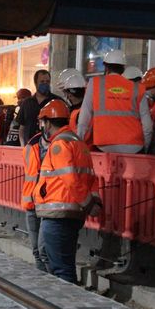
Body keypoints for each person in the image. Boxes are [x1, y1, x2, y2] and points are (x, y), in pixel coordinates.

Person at [34, 99, 101, 283]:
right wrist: (94, 202)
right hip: (67, 214)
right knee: (48, 255)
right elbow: (91, 178)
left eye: (43, 122)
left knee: (62, 268)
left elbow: (71, 180)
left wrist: (88, 204)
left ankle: (65, 302)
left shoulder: (59, 145)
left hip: (59, 214)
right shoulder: (78, 144)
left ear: (47, 122)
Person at [77, 49, 152, 154]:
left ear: (105, 66)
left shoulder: (95, 84)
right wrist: (146, 148)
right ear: (123, 68)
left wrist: (79, 142)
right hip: (135, 146)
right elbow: (147, 125)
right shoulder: (137, 88)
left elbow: (84, 118)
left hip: (104, 145)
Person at [22, 124, 49, 271]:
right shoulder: (31, 145)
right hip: (32, 202)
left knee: (44, 250)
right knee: (37, 250)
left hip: (49, 204)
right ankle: (44, 279)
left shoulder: (60, 143)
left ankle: (53, 282)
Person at [18, 70, 58, 146]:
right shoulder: (26, 103)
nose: (45, 84)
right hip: (30, 149)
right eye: (42, 82)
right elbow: (22, 128)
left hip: (50, 149)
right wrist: (23, 146)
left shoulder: (56, 102)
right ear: (35, 83)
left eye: (47, 82)